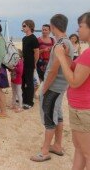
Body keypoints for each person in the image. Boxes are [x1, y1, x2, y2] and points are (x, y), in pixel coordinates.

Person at [30, 14, 74, 162]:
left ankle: (44, 151)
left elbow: (54, 70)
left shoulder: (62, 44)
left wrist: (44, 88)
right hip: (60, 86)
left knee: (49, 117)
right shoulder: (65, 42)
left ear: (53, 26)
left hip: (54, 87)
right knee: (58, 115)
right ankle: (57, 145)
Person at [54, 12, 90, 169]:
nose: (78, 29)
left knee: (87, 152)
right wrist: (67, 58)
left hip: (84, 110)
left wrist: (61, 57)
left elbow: (75, 81)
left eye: (81, 26)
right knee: (79, 149)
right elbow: (76, 71)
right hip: (79, 109)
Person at [21, 20, 39, 109]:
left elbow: (36, 52)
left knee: (29, 82)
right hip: (23, 63)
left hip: (30, 64)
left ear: (30, 26)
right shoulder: (24, 38)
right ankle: (24, 99)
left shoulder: (33, 38)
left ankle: (29, 102)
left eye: (24, 26)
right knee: (23, 81)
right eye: (22, 26)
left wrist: (35, 63)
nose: (23, 28)